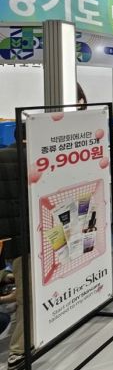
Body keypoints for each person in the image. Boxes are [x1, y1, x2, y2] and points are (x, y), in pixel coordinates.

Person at [0, 145, 25, 370]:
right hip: (25, 237)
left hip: (10, 240)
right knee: (27, 298)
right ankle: (19, 351)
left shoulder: (5, 156)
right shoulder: (33, 156)